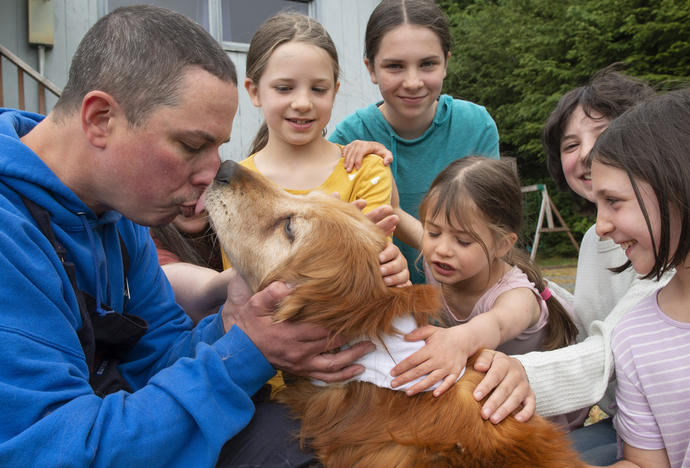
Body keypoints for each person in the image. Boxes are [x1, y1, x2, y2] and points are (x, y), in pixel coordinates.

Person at [0, 6, 401, 467]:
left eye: (218, 147)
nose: (212, 173)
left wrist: (233, 323)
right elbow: (54, 451)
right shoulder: (10, 233)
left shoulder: (116, 211)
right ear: (100, 119)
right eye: (192, 146)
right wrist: (248, 351)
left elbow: (160, 357)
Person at [470, 67, 673, 463]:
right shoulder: (593, 242)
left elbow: (610, 347)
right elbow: (588, 318)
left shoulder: (665, 241)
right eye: (570, 144)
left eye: (603, 135)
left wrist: (519, 375)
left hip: (667, 427)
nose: (586, 155)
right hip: (620, 420)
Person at [386, 156, 585, 430]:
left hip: (539, 408)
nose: (441, 248)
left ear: (502, 245)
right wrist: (371, 157)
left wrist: (458, 340)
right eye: (433, 233)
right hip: (490, 392)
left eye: (463, 240)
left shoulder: (517, 295)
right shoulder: (445, 259)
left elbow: (496, 323)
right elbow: (393, 208)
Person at [329, 0, 500, 284]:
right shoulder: (348, 139)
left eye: (427, 64)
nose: (412, 82)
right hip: (383, 313)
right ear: (371, 69)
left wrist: (394, 212)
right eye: (395, 66)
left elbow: (489, 236)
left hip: (467, 306)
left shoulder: (476, 125)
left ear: (446, 63)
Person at [588, 85, 690, 468]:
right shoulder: (635, 335)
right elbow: (645, 462)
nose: (600, 226)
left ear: (681, 185)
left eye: (613, 202)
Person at [240, 12, 393, 224]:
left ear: (334, 92)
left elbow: (375, 256)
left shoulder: (366, 172)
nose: (303, 103)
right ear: (254, 92)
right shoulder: (236, 184)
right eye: (284, 88)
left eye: (318, 89)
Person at [150, 213, 233, 323]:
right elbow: (204, 289)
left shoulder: (236, 221)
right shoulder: (148, 246)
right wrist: (251, 276)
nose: (193, 198)